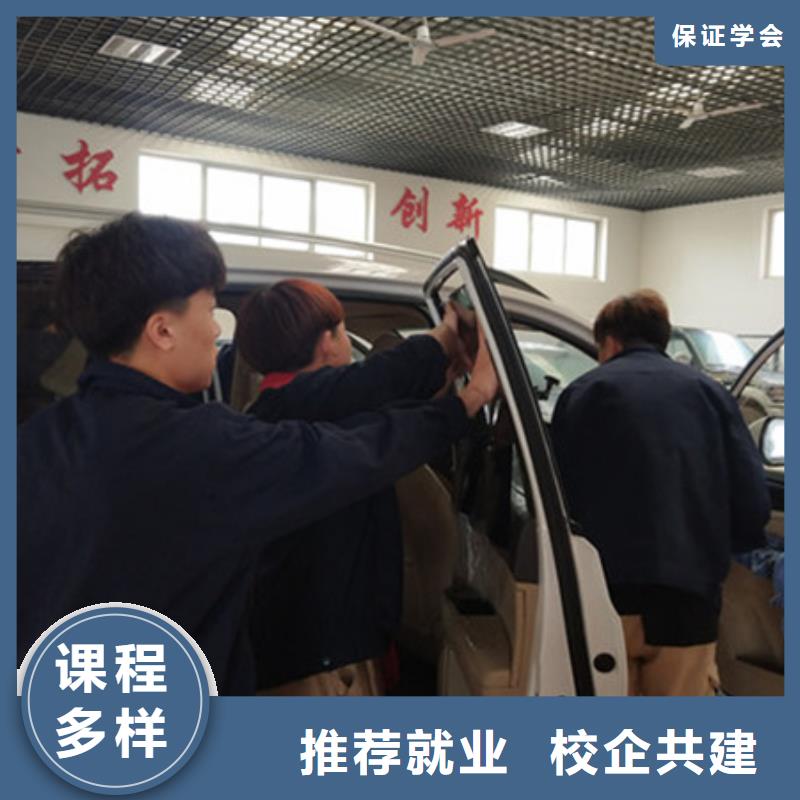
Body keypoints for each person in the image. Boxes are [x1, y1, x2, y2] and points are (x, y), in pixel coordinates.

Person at [17, 212, 498, 695]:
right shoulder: (202, 447)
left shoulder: (36, 440)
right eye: (209, 311)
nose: (216, 331)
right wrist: (470, 399)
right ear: (162, 331)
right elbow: (352, 454)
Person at [235, 280, 467, 695]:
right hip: (319, 661)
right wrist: (447, 336)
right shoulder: (302, 403)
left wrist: (442, 376)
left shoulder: (277, 407)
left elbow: (374, 404)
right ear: (326, 342)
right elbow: (378, 380)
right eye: (342, 331)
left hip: (306, 641)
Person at [551, 289, 770, 696]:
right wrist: (725, 552)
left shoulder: (582, 394)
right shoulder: (711, 395)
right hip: (687, 599)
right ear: (661, 338)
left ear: (609, 343)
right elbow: (753, 501)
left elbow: (556, 494)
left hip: (604, 596)